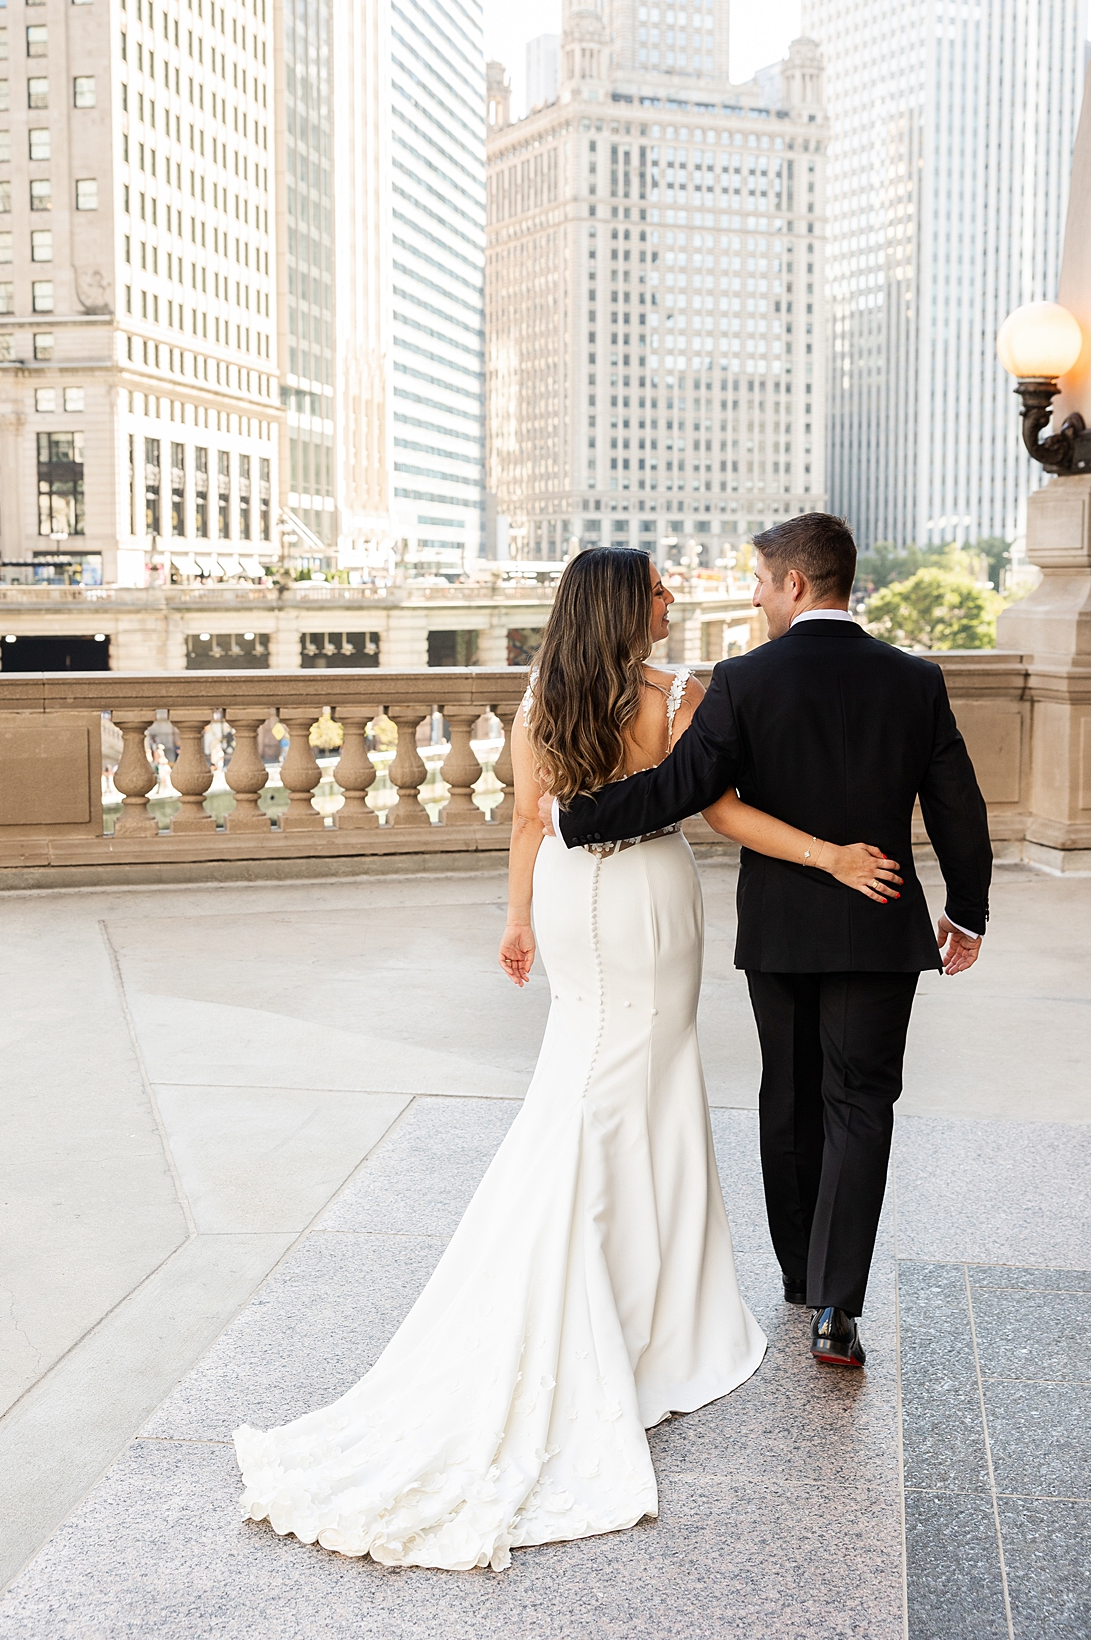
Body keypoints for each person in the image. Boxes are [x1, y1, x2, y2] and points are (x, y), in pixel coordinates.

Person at [234, 544, 906, 1571]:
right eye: (658, 589)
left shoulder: (543, 695)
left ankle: (608, 1272)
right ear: (626, 608)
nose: (674, 597)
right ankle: (644, 1303)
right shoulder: (683, 693)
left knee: (588, 1078)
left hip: (569, 890)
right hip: (644, 898)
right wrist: (825, 852)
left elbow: (524, 821)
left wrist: (517, 919)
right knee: (638, 1083)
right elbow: (717, 809)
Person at [545, 516, 992, 1371]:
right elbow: (957, 808)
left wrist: (579, 817)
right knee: (860, 1107)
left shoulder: (744, 679)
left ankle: (797, 1274)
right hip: (880, 921)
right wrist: (964, 912)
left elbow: (682, 789)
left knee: (787, 1097)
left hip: (782, 930)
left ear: (794, 584)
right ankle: (835, 1305)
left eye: (758, 580)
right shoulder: (915, 679)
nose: (751, 594)